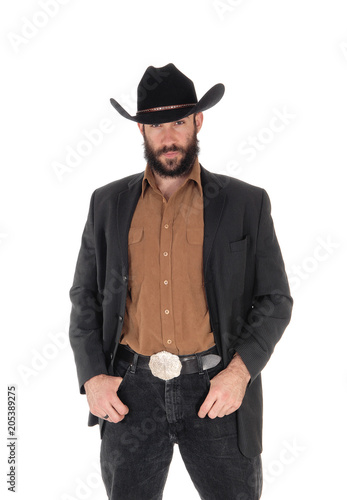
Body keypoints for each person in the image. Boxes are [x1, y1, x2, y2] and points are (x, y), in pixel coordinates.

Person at [69, 63, 293, 500]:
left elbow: (275, 298)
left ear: (198, 121)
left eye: (178, 121)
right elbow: (85, 297)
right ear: (141, 132)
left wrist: (241, 372)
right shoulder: (108, 204)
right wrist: (93, 375)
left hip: (216, 390)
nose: (168, 136)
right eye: (155, 125)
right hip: (129, 391)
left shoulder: (245, 203)